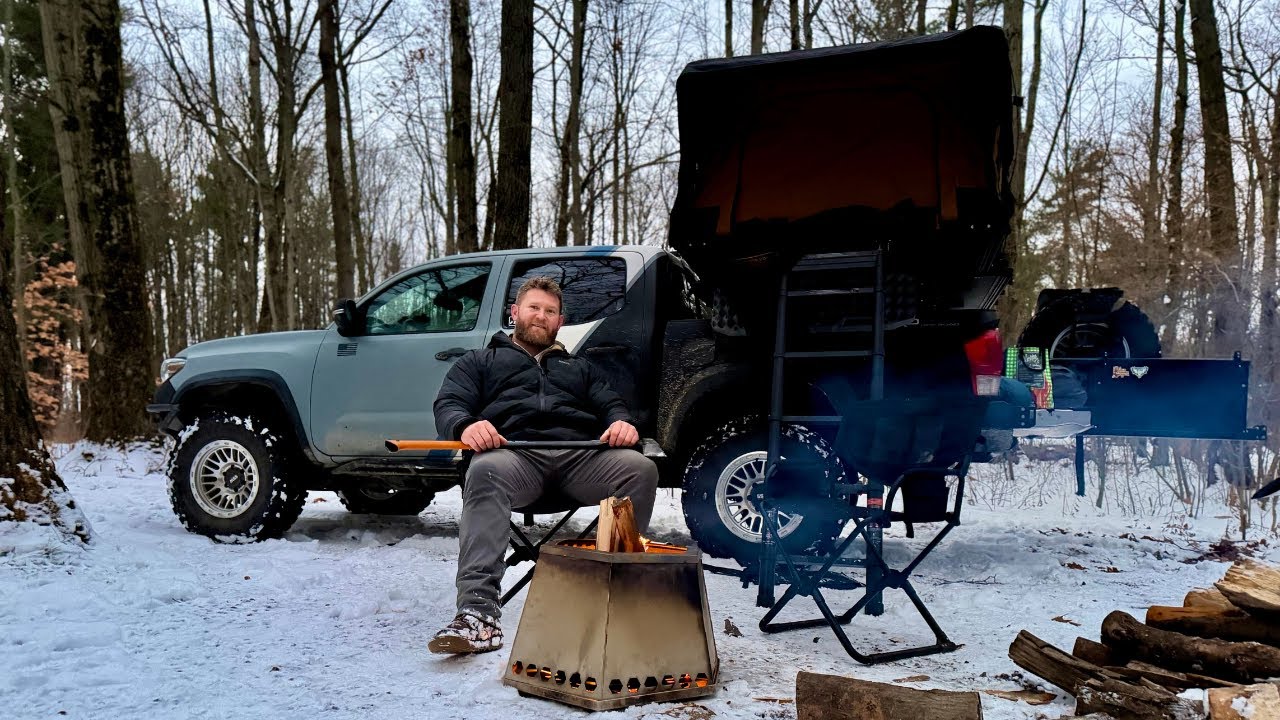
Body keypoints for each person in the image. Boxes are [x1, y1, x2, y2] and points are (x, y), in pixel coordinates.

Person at [428, 276, 659, 654]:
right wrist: (466, 425)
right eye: (533, 307)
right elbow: (449, 404)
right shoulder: (479, 361)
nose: (541, 316)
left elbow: (613, 406)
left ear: (560, 321)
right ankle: (478, 613)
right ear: (515, 312)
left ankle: (610, 594)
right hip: (513, 457)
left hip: (581, 460)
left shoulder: (580, 368)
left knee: (640, 469)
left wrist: (621, 422)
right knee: (485, 469)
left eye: (550, 311)